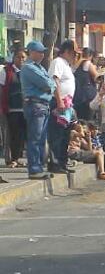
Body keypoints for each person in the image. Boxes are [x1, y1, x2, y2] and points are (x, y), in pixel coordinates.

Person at [21, 42, 55, 180]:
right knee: (35, 138)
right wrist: (49, 86)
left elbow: (52, 84)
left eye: (43, 52)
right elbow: (47, 84)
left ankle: (39, 167)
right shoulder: (28, 68)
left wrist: (50, 86)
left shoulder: (39, 67)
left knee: (41, 139)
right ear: (31, 52)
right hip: (35, 105)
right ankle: (34, 169)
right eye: (39, 52)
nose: (42, 55)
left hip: (43, 105)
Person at [48, 40, 77, 174]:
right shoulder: (58, 62)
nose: (75, 56)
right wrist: (59, 100)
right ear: (67, 51)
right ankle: (55, 163)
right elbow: (55, 80)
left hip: (67, 104)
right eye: (73, 53)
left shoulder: (67, 65)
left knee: (65, 135)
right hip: (59, 102)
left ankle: (62, 162)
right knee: (57, 134)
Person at [1, 49, 26, 166]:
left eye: (23, 57)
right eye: (18, 57)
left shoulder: (27, 71)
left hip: (24, 109)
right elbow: (1, 89)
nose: (21, 60)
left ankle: (17, 157)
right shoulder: (6, 71)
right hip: (10, 108)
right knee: (10, 135)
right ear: (14, 58)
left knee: (21, 134)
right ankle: (10, 159)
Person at [72, 47, 99, 122]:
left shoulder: (74, 64)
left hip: (77, 95)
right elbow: (97, 77)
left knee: (79, 119)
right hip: (87, 96)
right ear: (90, 56)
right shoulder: (88, 63)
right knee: (88, 119)